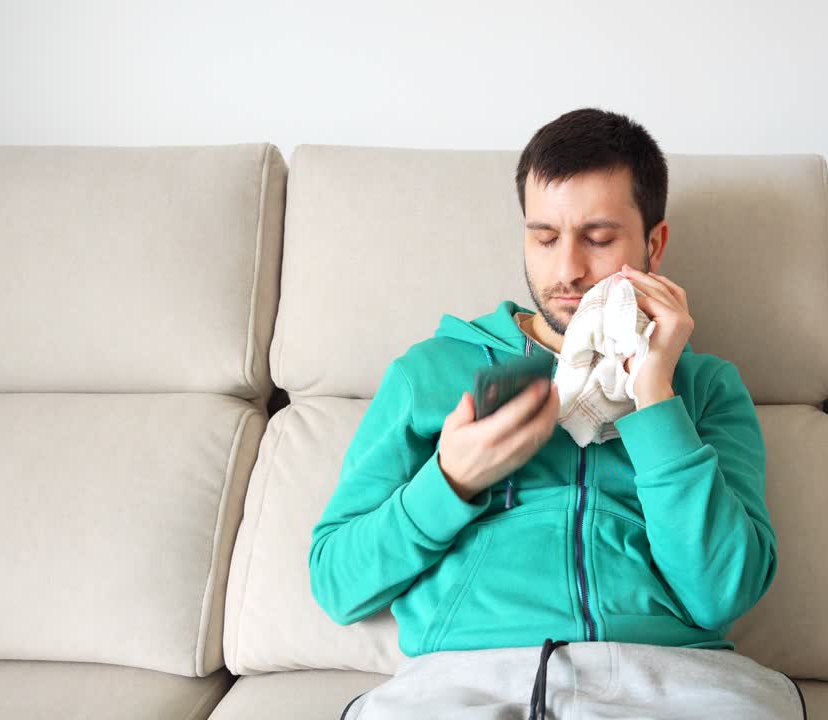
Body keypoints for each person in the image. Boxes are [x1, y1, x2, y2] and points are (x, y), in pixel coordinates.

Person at [310, 108, 799, 719]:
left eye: (597, 239)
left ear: (653, 244)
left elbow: (720, 592)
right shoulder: (429, 373)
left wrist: (654, 395)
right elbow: (337, 583)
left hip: (665, 676)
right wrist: (450, 481)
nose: (566, 269)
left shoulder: (704, 386)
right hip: (466, 674)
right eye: (544, 237)